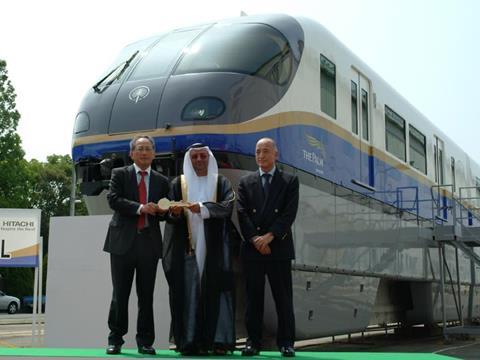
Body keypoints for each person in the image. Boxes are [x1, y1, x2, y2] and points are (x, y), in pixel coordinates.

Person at [163, 143, 236, 355]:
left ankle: (218, 341)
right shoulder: (179, 183)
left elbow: (227, 207)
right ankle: (189, 341)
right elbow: (167, 212)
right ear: (189, 160)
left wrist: (202, 208)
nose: (198, 160)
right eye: (194, 157)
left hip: (214, 247)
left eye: (203, 156)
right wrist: (175, 213)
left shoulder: (221, 182)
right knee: (188, 292)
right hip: (186, 247)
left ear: (209, 158)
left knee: (215, 289)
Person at [103, 135, 169, 355]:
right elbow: (114, 199)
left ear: (154, 153)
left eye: (148, 149)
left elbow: (163, 212)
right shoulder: (119, 174)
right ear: (131, 153)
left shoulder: (161, 180)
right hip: (122, 243)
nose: (143, 152)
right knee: (120, 294)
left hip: (149, 244)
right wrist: (141, 208)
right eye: (139, 149)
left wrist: (166, 211)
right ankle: (115, 339)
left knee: (146, 296)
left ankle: (145, 342)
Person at [237, 137, 299, 357]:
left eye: (265, 151)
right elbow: (242, 214)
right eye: (257, 152)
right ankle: (252, 342)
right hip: (253, 249)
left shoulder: (290, 181)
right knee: (253, 299)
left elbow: (288, 214)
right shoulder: (246, 182)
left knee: (283, 298)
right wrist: (255, 239)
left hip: (278, 247)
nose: (261, 155)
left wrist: (270, 236)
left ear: (276, 154)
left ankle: (286, 343)